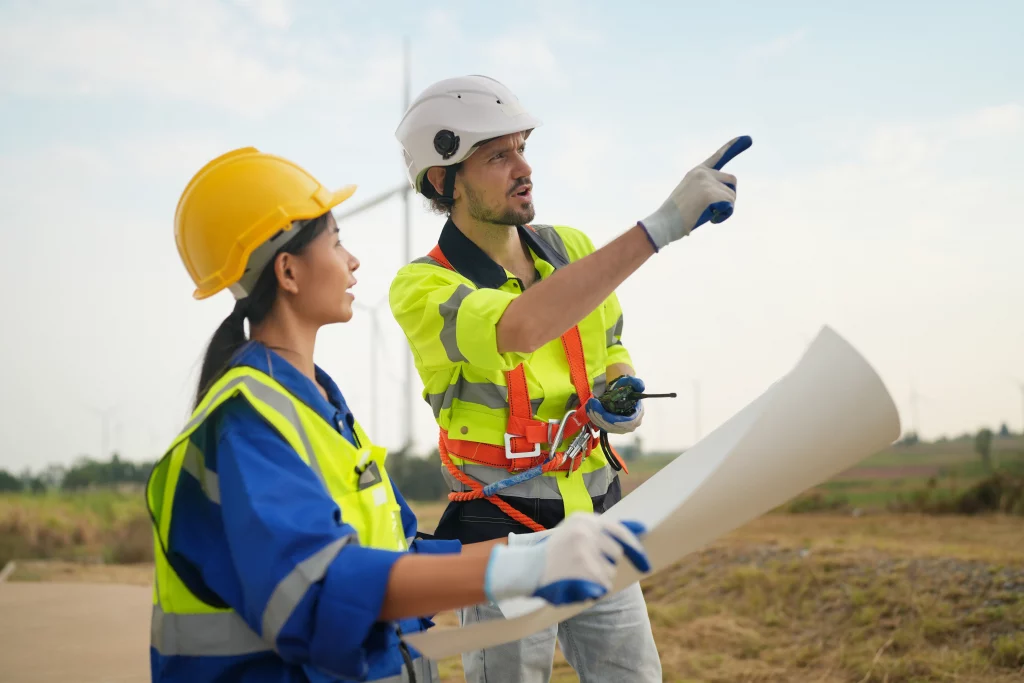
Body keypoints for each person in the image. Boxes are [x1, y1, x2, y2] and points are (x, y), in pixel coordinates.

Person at [146, 146, 655, 683]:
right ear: (289, 271)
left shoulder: (316, 405)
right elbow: (319, 594)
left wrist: (532, 547)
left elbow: (396, 549)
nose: (353, 261)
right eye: (337, 243)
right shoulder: (247, 425)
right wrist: (519, 567)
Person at [390, 75, 750, 682]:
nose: (522, 167)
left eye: (522, 148)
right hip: (503, 541)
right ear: (441, 179)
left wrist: (621, 387)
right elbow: (519, 329)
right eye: (498, 156)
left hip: (597, 522)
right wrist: (659, 228)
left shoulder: (570, 248)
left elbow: (609, 340)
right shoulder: (423, 286)